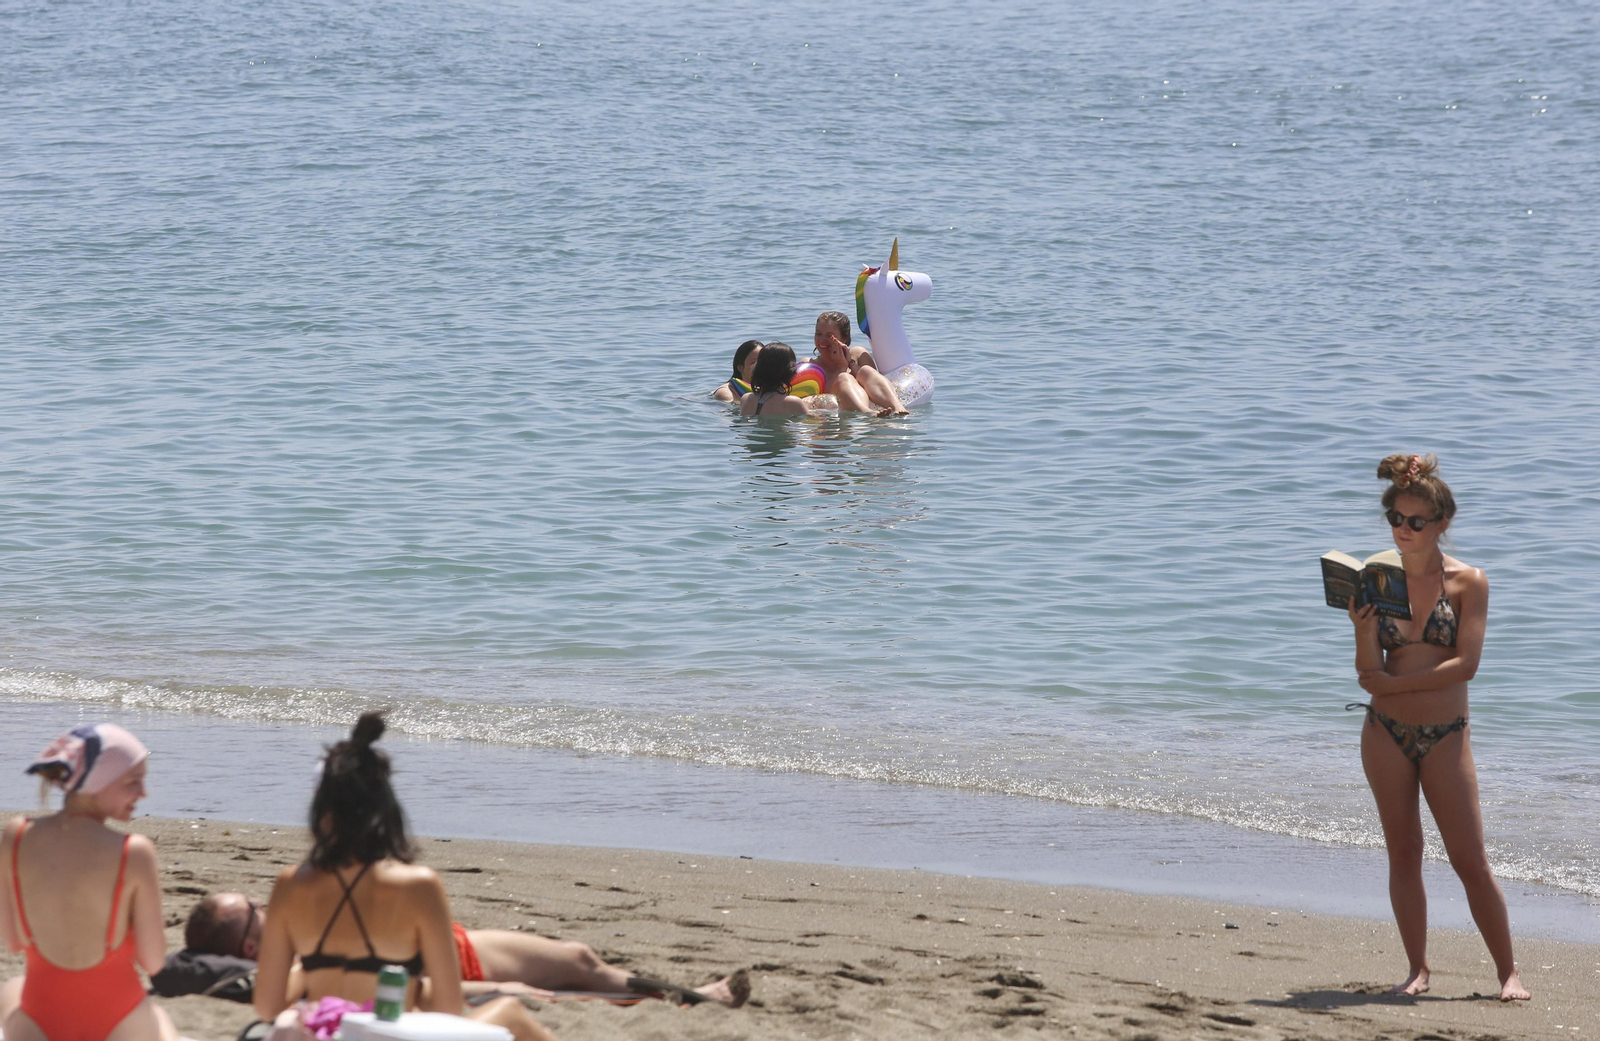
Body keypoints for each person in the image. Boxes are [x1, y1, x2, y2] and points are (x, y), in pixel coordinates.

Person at [1345, 453, 1529, 1002]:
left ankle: (1508, 973)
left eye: (1415, 521)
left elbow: (1465, 665)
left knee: (1469, 859)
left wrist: (1393, 687)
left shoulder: (1469, 582)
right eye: (1395, 520)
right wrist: (1361, 628)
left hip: (1446, 734)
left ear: (1442, 522)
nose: (1404, 530)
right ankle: (1417, 969)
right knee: (1403, 853)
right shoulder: (1377, 581)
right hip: (1385, 736)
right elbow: (1366, 672)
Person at [253, 714, 554, 1040]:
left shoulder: (291, 884)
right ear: (385, 805)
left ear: (321, 808)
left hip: (322, 1034)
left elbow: (268, 1008)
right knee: (509, 1013)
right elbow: (447, 1008)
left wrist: (307, 972)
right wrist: (410, 988)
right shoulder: (418, 886)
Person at [183, 891, 747, 1007]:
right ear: (251, 943)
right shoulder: (301, 970)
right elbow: (407, 991)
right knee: (578, 970)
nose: (263, 899)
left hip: (450, 943)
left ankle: (681, 995)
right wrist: (498, 988)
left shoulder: (293, 937)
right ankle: (696, 996)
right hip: (461, 964)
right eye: (253, 909)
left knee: (580, 966)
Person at [0, 723, 179, 1041]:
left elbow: (12, 941)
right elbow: (153, 962)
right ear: (98, 782)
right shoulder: (133, 852)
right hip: (120, 1022)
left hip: (39, 1020)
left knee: (11, 990)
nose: (144, 792)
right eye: (133, 782)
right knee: (161, 1015)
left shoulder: (15, 836)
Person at [812, 311, 908, 416]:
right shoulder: (811, 366)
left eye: (829, 336)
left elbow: (873, 382)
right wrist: (841, 367)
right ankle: (868, 413)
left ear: (844, 339)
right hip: (835, 418)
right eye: (818, 334)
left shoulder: (857, 354)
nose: (822, 340)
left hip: (866, 405)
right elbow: (816, 399)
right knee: (844, 377)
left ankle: (897, 407)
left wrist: (850, 363)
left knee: (865, 370)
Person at [739, 343, 811, 417]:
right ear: (789, 372)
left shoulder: (746, 399)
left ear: (757, 369)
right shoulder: (793, 402)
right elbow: (811, 421)